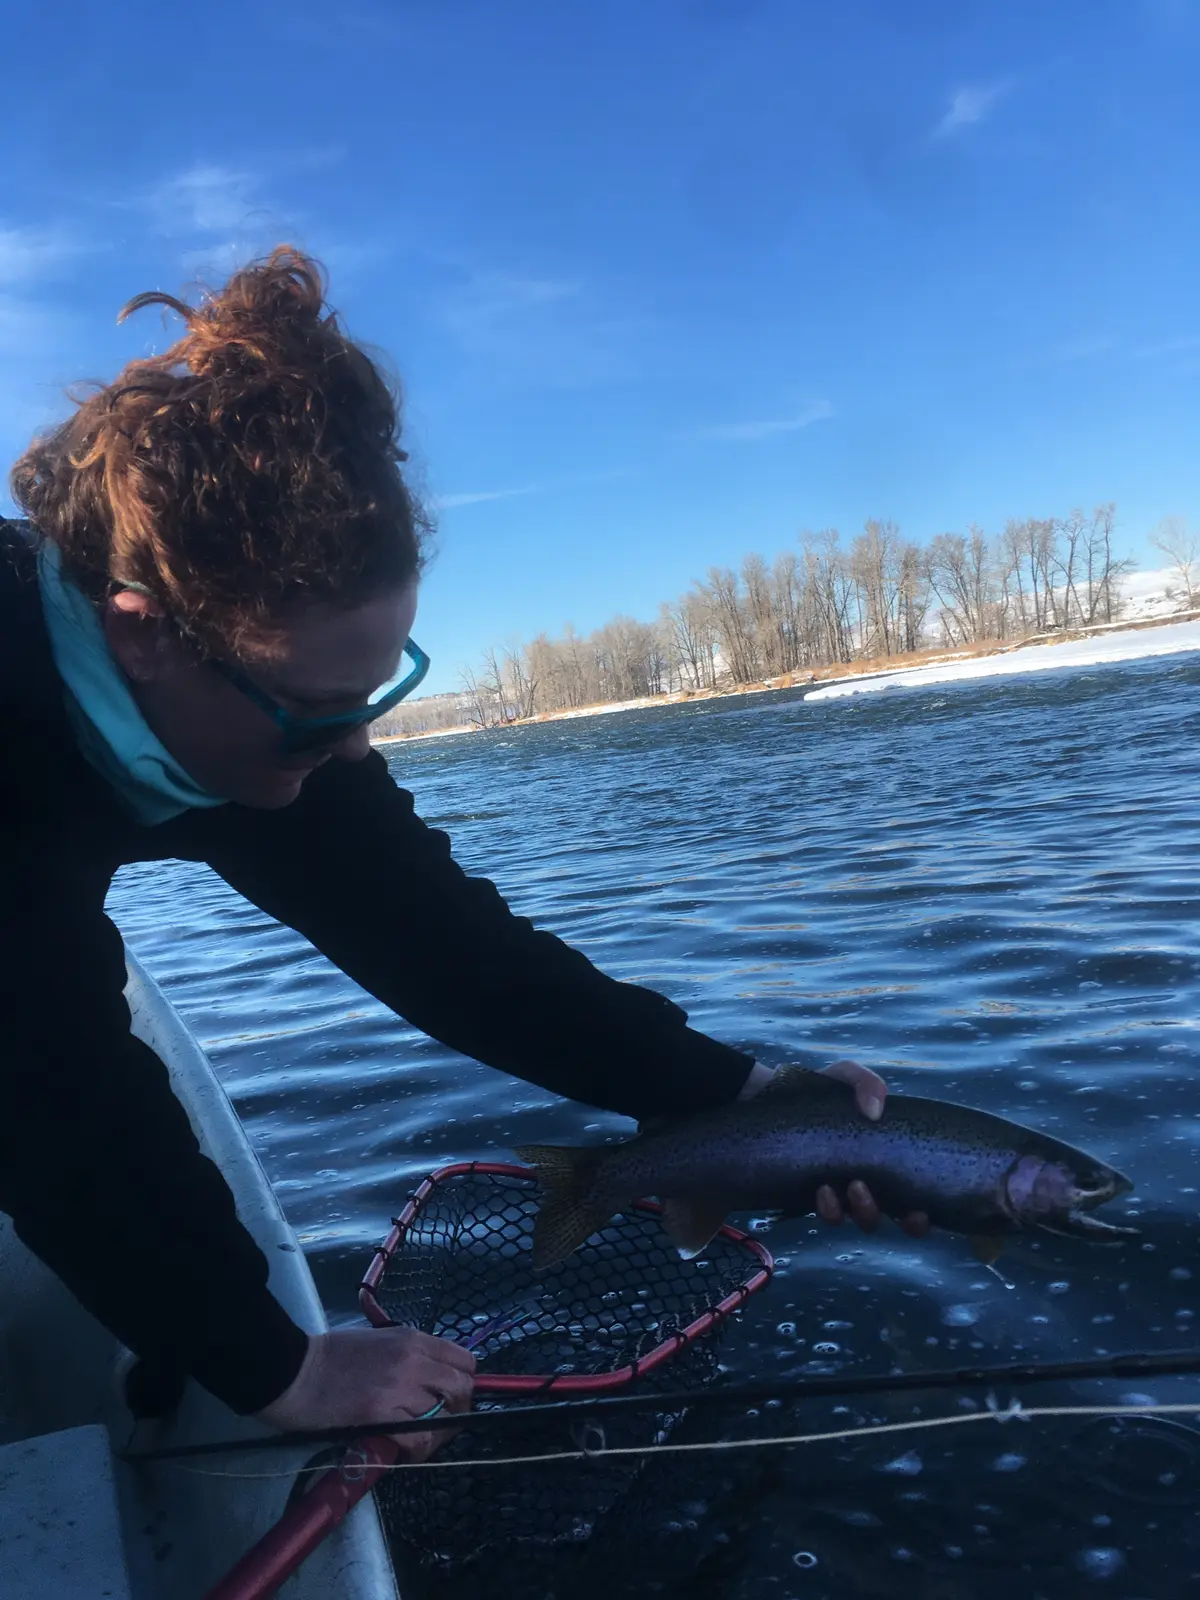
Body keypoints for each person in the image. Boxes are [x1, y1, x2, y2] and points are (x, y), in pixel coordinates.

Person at [0, 247, 927, 1462]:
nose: (353, 750)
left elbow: (439, 937)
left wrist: (727, 1092)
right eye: (325, 713)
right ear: (146, 635)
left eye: (377, 696)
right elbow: (52, 1086)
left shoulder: (260, 710)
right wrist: (272, 1367)